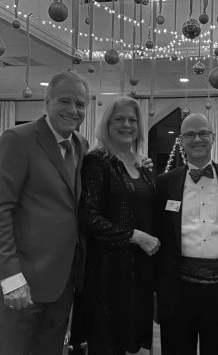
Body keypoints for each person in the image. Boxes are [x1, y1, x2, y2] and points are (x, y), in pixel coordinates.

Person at [0, 70, 90, 355]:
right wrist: (9, 277)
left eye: (80, 104)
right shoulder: (18, 139)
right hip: (22, 282)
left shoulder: (80, 145)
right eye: (64, 101)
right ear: (47, 101)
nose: (73, 110)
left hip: (63, 283)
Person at [76, 96, 160, 355]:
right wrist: (134, 236)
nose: (127, 125)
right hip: (108, 273)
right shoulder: (97, 161)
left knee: (133, 343)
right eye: (119, 119)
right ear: (107, 124)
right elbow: (88, 217)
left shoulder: (140, 164)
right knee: (108, 342)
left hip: (140, 270)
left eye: (132, 120)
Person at [154, 113, 218, 355]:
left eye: (203, 133)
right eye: (190, 134)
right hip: (178, 291)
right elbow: (159, 234)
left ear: (213, 137)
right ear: (181, 140)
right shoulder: (165, 183)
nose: (197, 139)